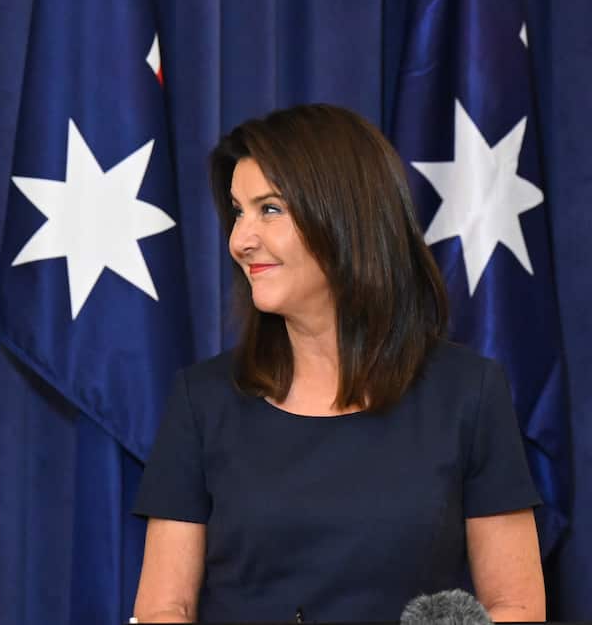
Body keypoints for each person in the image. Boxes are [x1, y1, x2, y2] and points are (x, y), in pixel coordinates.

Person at [132, 104, 544, 623]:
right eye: (238, 211)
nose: (240, 240)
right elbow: (164, 608)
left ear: (347, 217)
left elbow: (516, 606)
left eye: (270, 209)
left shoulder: (469, 392)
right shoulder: (202, 399)